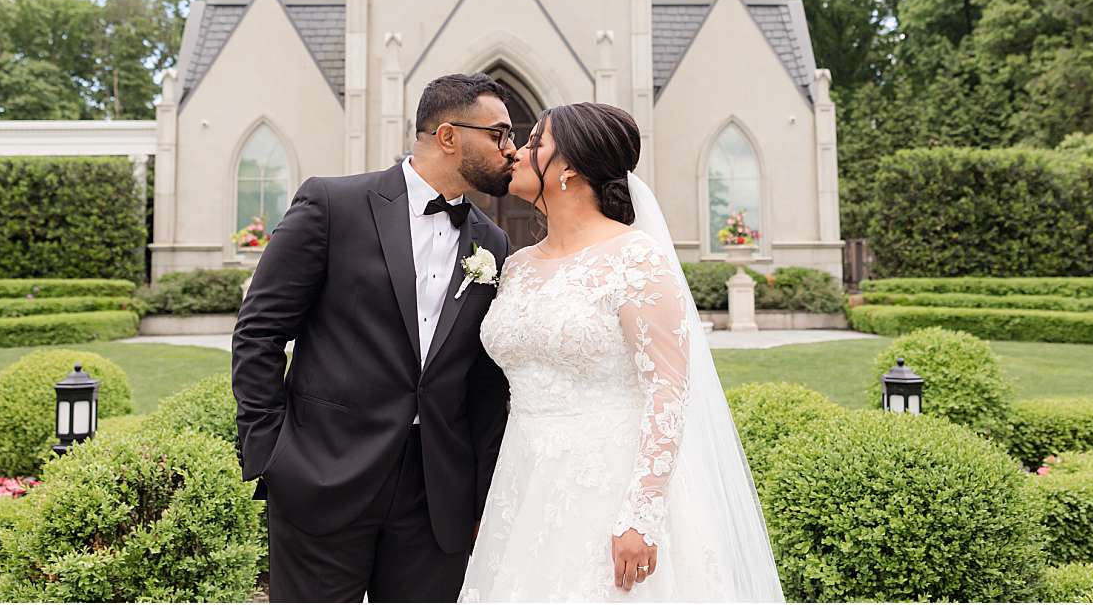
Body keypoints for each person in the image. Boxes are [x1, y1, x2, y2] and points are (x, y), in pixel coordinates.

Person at [460, 102, 784, 602]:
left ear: (567, 167)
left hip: (609, 482)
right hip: (521, 481)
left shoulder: (636, 259)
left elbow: (668, 391)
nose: (518, 155)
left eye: (533, 144)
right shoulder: (518, 265)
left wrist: (642, 511)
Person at [232, 73, 517, 602]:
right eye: (499, 134)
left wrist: (480, 493)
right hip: (323, 474)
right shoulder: (332, 204)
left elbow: (481, 381)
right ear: (449, 136)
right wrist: (271, 453)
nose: (511, 148)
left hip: (436, 495)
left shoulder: (492, 241)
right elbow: (259, 333)